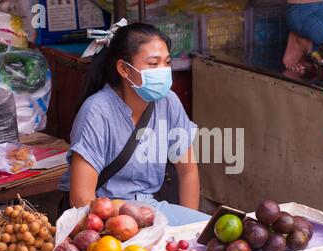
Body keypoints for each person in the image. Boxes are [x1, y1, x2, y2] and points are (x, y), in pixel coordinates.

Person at [58, 23, 210, 226]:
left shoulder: (169, 102)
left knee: (208, 230)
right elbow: (81, 198)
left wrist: (189, 229)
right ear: (123, 68)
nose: (163, 71)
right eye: (153, 64)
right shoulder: (96, 111)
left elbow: (188, 170)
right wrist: (118, 230)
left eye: (166, 63)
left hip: (150, 211)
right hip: (104, 219)